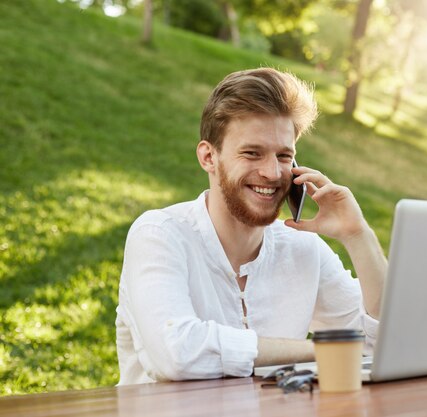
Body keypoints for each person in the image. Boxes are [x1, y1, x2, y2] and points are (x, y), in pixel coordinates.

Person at [115, 68, 387, 385]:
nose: (272, 173)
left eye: (284, 156)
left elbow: (382, 344)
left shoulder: (302, 248)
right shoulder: (159, 234)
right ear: (208, 156)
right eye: (252, 153)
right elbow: (177, 354)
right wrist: (321, 350)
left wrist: (358, 235)